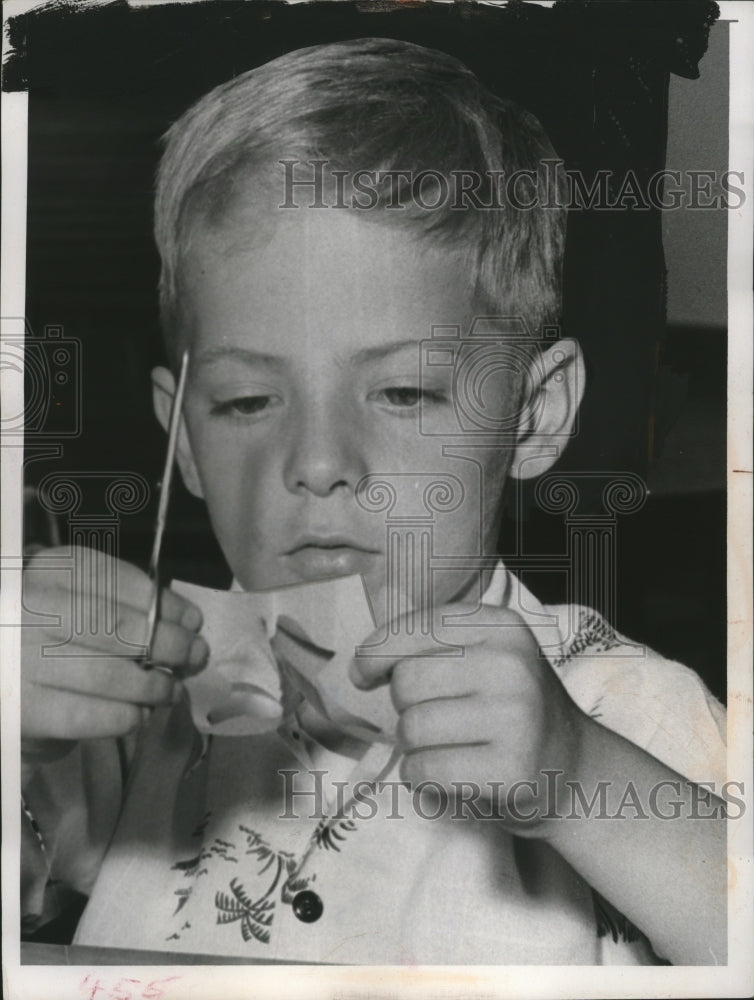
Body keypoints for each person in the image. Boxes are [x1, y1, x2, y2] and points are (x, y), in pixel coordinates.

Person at [20, 38, 727, 964]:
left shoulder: (625, 707)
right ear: (184, 439)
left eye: (402, 393)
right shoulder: (145, 704)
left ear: (533, 416)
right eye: (244, 402)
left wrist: (576, 777)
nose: (317, 463)